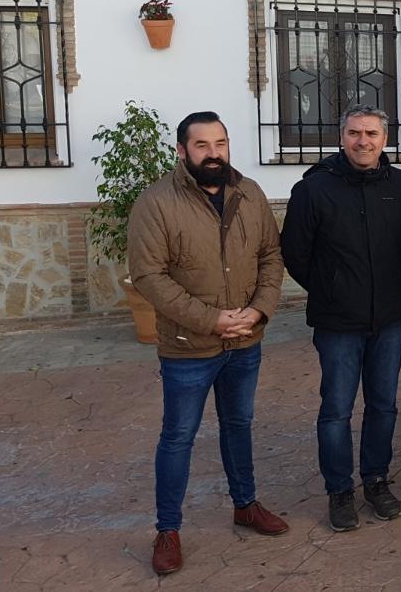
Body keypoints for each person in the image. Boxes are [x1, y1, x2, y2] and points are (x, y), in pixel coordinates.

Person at [128, 111, 287, 576]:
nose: (214, 153)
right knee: (178, 437)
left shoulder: (249, 193)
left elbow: (271, 256)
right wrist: (211, 320)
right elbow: (148, 276)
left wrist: (259, 310)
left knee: (238, 424)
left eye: (220, 143)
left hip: (245, 341)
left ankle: (246, 505)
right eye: (202, 145)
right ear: (182, 151)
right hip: (187, 347)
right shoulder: (156, 203)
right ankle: (168, 529)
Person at [280, 105, 401, 532]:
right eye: (355, 133)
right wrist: (332, 287)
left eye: (372, 133)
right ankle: (339, 490)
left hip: (390, 318)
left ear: (385, 138)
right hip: (337, 320)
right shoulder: (313, 189)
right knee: (337, 409)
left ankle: (376, 481)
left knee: (383, 405)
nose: (364, 141)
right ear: (341, 136)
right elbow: (296, 253)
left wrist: (386, 283)